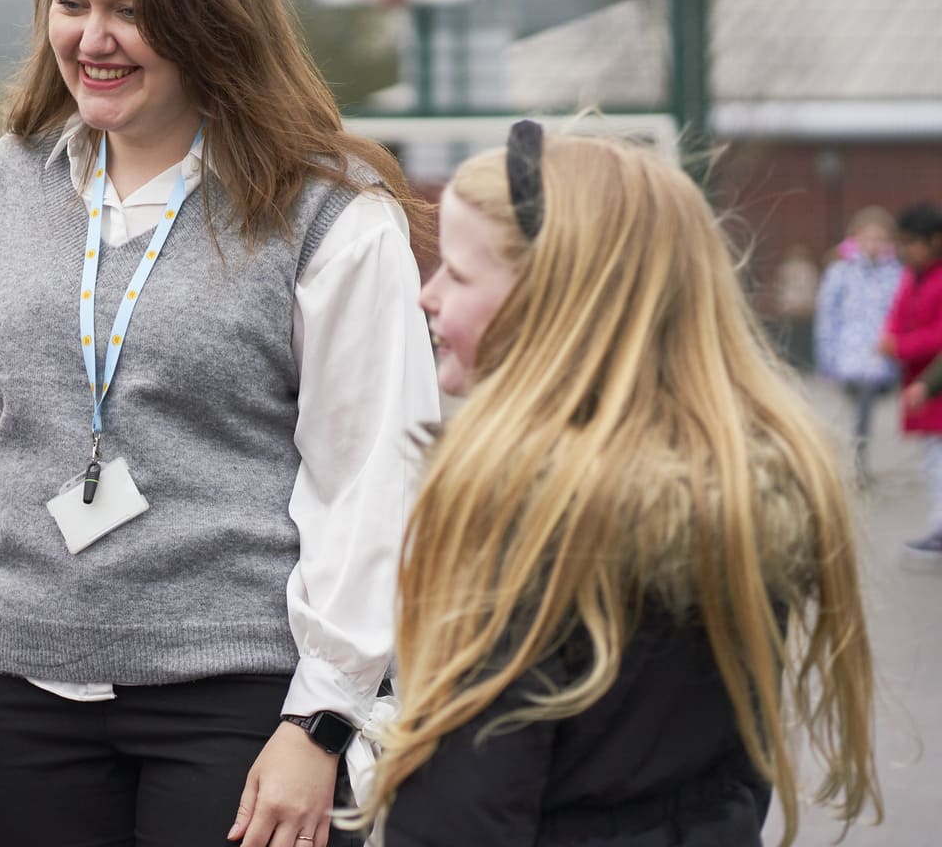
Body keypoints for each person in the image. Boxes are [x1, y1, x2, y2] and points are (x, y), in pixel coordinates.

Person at [0, 0, 439, 847]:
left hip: (238, 704)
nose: (93, 39)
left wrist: (324, 717)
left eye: (130, 9)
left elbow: (374, 476)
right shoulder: (10, 181)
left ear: (209, 14)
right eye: (71, 3)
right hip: (15, 688)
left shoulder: (327, 212)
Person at [377, 123, 881, 845]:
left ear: (557, 299)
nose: (428, 295)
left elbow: (462, 810)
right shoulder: (738, 506)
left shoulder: (520, 516)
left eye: (455, 273)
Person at [813, 206, 903, 479]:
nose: (874, 245)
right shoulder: (841, 272)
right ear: (856, 239)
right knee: (859, 405)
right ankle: (857, 459)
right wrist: (826, 357)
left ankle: (860, 455)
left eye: (879, 238)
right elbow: (827, 315)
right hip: (850, 353)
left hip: (884, 353)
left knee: (868, 407)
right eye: (869, 238)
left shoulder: (896, 272)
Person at [881, 201, 942, 557]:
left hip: (931, 383)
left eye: (913, 242)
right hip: (921, 384)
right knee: (931, 460)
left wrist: (900, 345)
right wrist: (890, 337)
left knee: (938, 463)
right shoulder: (911, 276)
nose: (908, 250)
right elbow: (898, 313)